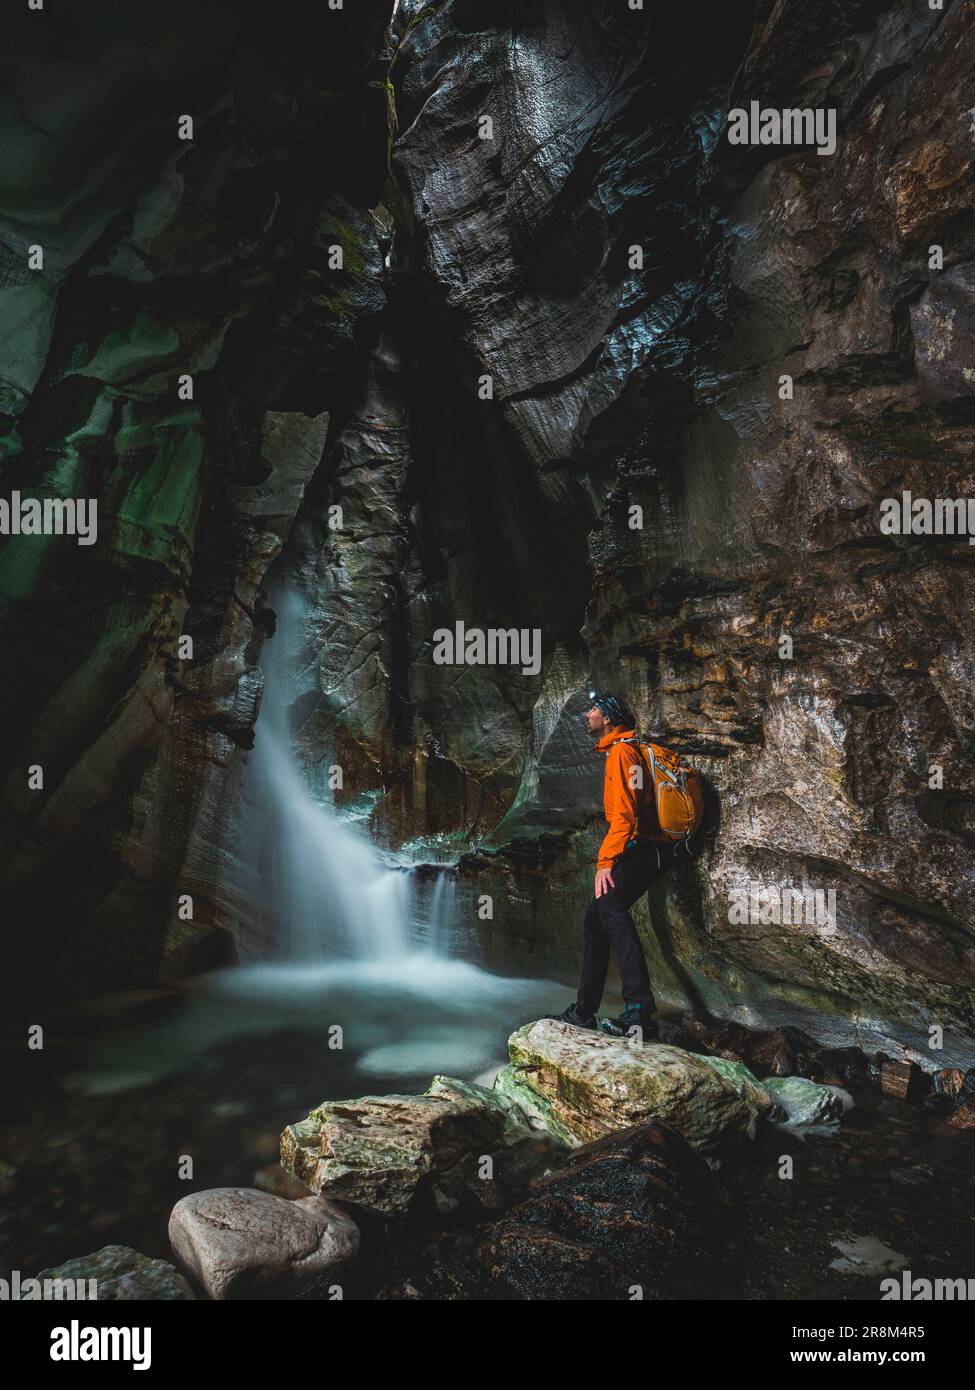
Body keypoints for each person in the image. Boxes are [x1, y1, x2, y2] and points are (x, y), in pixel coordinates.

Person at [545, 690, 674, 1039]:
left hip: (646, 848)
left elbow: (626, 818)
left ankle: (640, 1012)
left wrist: (605, 862)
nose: (586, 715)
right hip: (647, 848)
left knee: (611, 907)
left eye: (593, 710)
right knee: (596, 916)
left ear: (608, 717)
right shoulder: (624, 750)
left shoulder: (621, 752)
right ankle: (585, 1011)